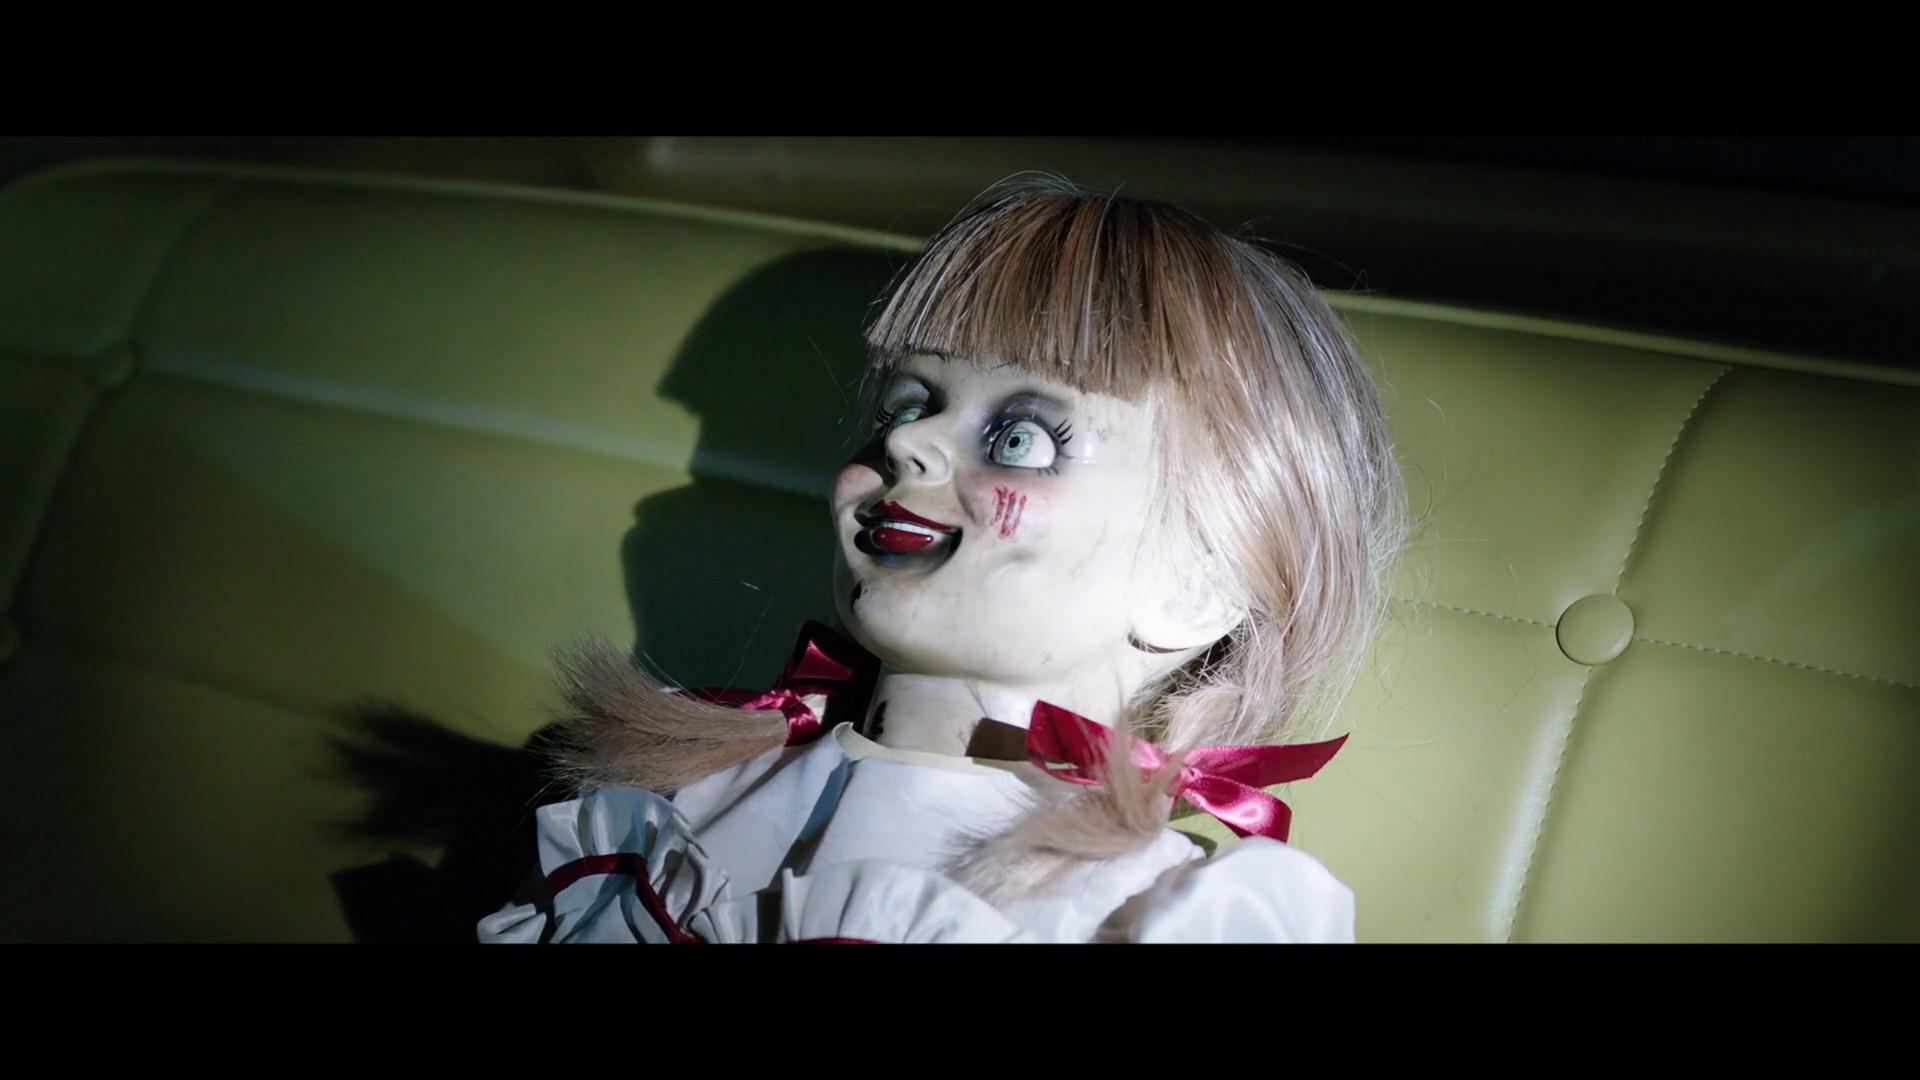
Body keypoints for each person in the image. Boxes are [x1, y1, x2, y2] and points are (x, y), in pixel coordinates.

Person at [480, 176, 1406, 943]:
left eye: (1021, 439)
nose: (908, 442)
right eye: (905, 403)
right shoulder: (662, 811)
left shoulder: (1163, 917)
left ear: (1198, 582)